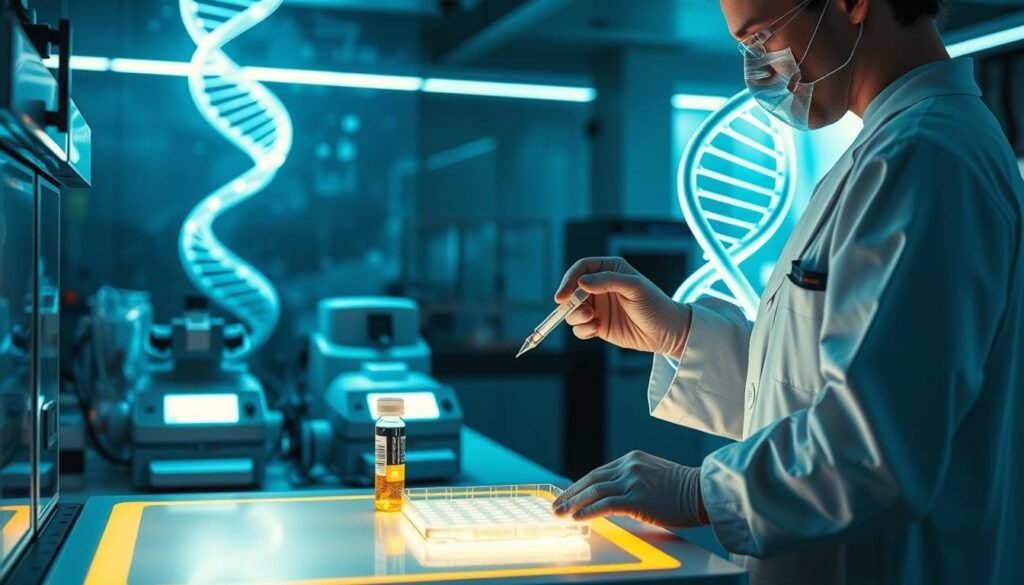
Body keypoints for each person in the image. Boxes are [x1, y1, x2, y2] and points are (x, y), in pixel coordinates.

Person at [550, 0, 1024, 583]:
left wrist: (698, 491)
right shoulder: (889, 150)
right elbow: (821, 387)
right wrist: (676, 331)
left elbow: (875, 448)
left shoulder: (924, 158)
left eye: (762, 36)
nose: (758, 67)